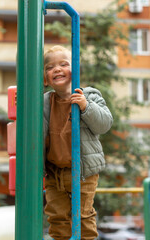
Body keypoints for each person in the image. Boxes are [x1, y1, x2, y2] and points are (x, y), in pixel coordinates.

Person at [43, 45, 113, 240]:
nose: (57, 69)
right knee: (57, 218)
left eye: (63, 64)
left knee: (83, 216)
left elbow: (104, 124)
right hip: (54, 173)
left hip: (83, 172)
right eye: (50, 67)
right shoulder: (44, 103)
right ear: (45, 79)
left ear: (75, 70)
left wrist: (85, 106)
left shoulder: (89, 95)